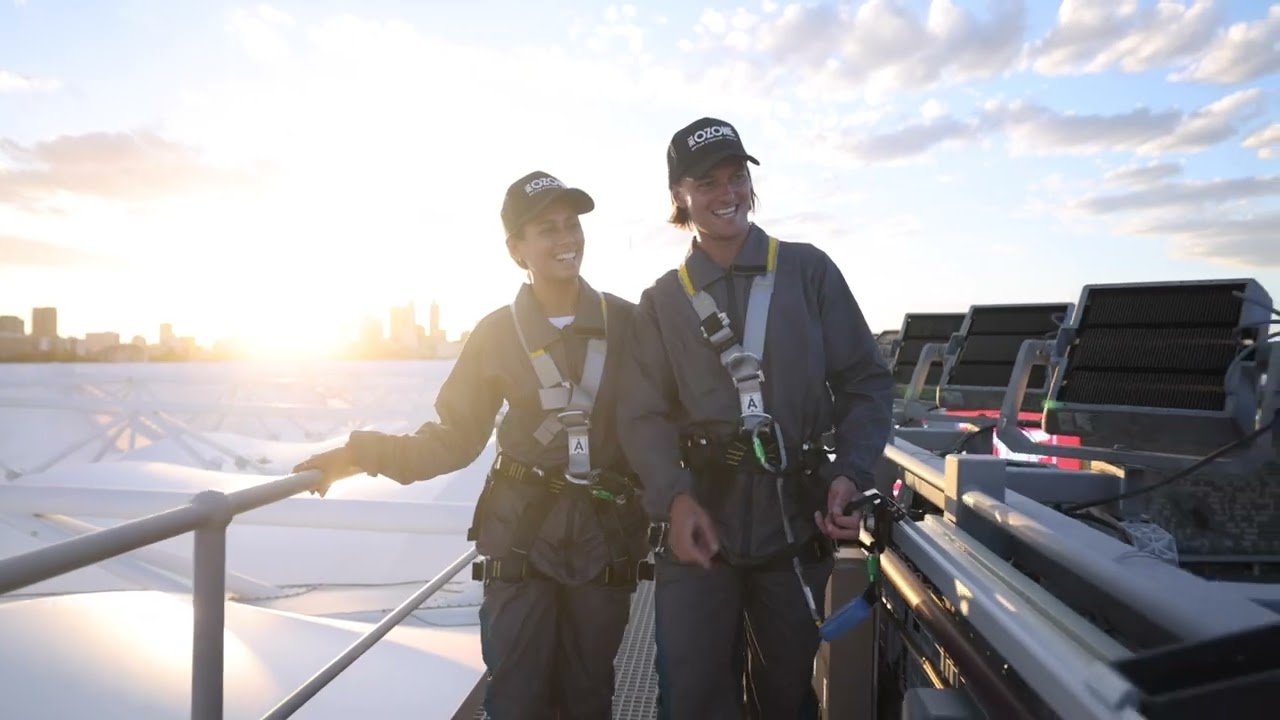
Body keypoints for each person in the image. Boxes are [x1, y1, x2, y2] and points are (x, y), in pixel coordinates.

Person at [294, 170, 650, 719]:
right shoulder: (495, 335)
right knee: (516, 696)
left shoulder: (627, 322)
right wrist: (358, 454)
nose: (566, 239)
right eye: (546, 229)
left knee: (588, 695)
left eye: (571, 224)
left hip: (603, 540)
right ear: (516, 250)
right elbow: (453, 441)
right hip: (521, 539)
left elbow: (656, 421)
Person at [618, 117, 895, 718]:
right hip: (698, 538)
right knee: (693, 701)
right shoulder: (662, 301)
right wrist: (675, 498)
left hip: (792, 528)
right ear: (679, 198)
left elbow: (866, 382)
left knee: (785, 699)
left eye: (737, 176)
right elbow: (642, 416)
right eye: (707, 182)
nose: (728, 193)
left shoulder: (808, 271)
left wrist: (851, 471)